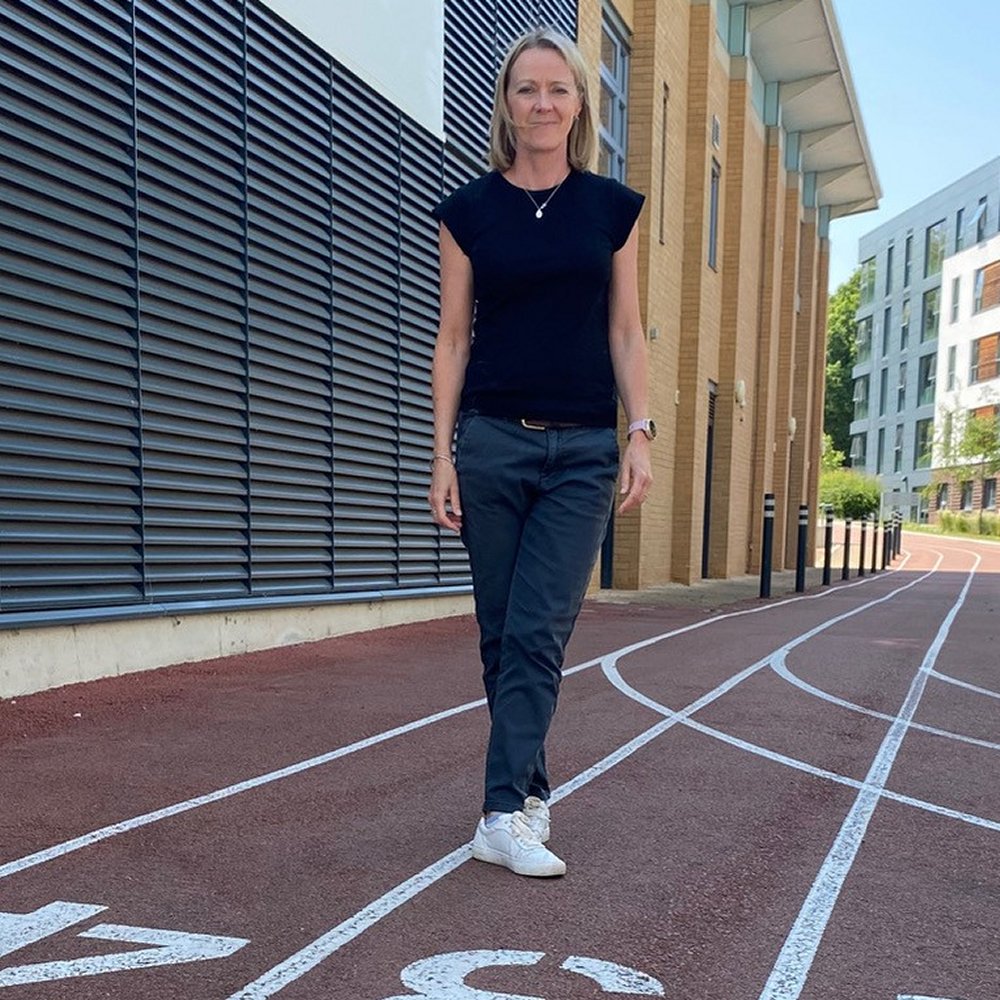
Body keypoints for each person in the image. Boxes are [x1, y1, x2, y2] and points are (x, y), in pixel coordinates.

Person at [428, 27, 653, 878]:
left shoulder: (611, 209)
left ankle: (495, 815)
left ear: (579, 105)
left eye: (560, 89)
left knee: (538, 629)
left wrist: (641, 429)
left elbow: (626, 332)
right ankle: (528, 792)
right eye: (528, 89)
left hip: (586, 449)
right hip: (491, 444)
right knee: (501, 635)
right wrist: (441, 454)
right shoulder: (468, 213)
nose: (545, 103)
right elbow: (453, 340)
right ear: (507, 105)